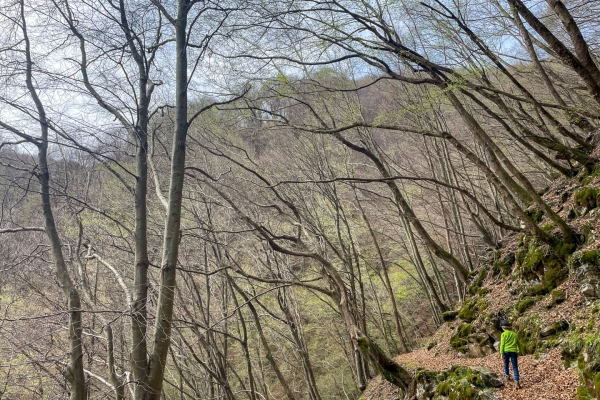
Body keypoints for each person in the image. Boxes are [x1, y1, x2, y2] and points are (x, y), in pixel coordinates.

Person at [499, 320, 520, 389]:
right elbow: (518, 344)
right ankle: (516, 381)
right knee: (515, 366)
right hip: (514, 351)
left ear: (503, 328)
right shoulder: (514, 334)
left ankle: (506, 376)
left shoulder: (503, 334)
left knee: (506, 363)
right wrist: (518, 351)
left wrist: (501, 353)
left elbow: (502, 344)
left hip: (506, 351)